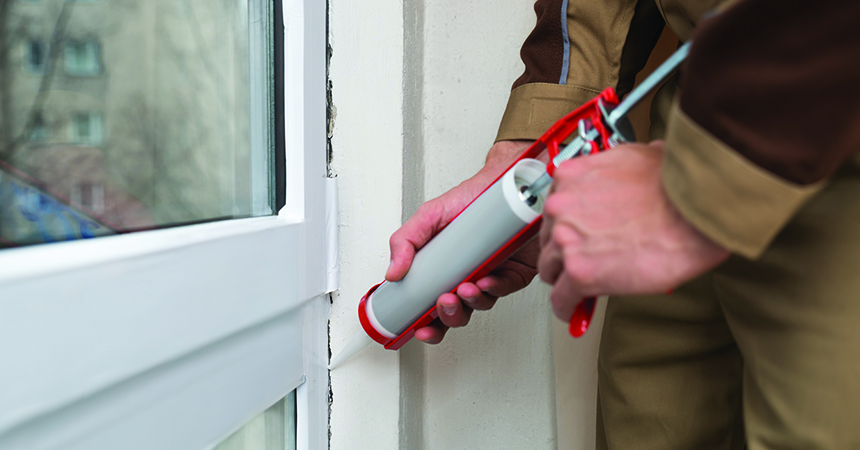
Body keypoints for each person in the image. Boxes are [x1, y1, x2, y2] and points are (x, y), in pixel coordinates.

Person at [385, 0, 860, 448]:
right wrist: (540, 145)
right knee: (648, 418)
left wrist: (706, 182)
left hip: (832, 143)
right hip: (692, 124)